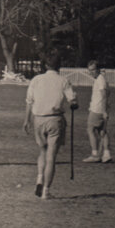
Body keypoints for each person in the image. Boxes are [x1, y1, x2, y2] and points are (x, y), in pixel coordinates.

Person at [23, 50, 78, 200]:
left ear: (45, 65)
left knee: (42, 151)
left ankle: (39, 178)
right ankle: (46, 191)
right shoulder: (63, 81)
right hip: (55, 120)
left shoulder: (36, 80)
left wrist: (27, 120)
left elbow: (29, 102)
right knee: (51, 157)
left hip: (38, 119)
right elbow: (72, 101)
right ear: (59, 66)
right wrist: (75, 102)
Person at [83, 60, 112, 163]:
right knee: (102, 131)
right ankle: (106, 154)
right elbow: (108, 93)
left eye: (93, 70)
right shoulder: (101, 79)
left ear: (98, 69)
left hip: (97, 109)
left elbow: (104, 95)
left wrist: (104, 111)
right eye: (89, 70)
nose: (91, 72)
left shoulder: (100, 80)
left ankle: (95, 154)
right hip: (100, 108)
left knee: (90, 129)